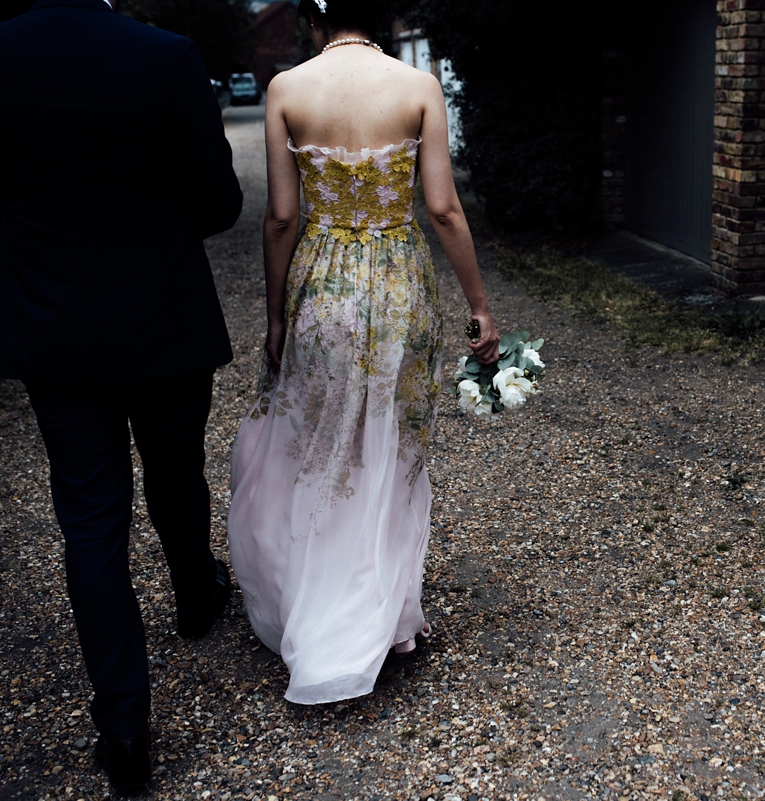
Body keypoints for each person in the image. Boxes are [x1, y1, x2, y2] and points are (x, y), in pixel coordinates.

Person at [227, 0, 500, 705]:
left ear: (314, 15)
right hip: (399, 286)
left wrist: (278, 313)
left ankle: (322, 606)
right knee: (387, 447)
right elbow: (442, 208)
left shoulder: (287, 88)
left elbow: (282, 217)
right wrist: (478, 303)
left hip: (322, 285)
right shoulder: (416, 88)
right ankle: (384, 619)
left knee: (322, 448)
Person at [0, 0, 242, 794]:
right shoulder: (164, 54)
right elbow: (219, 202)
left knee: (89, 522)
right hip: (162, 315)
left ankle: (125, 728)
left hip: (54, 330)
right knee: (175, 472)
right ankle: (195, 594)